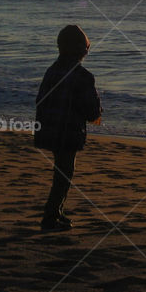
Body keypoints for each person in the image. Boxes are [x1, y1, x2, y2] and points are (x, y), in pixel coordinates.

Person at [35, 25, 102, 232]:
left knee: (61, 171)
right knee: (64, 174)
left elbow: (40, 100)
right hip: (67, 131)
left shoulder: (52, 70)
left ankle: (56, 212)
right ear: (82, 50)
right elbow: (92, 112)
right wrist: (96, 110)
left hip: (49, 129)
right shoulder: (83, 76)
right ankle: (50, 216)